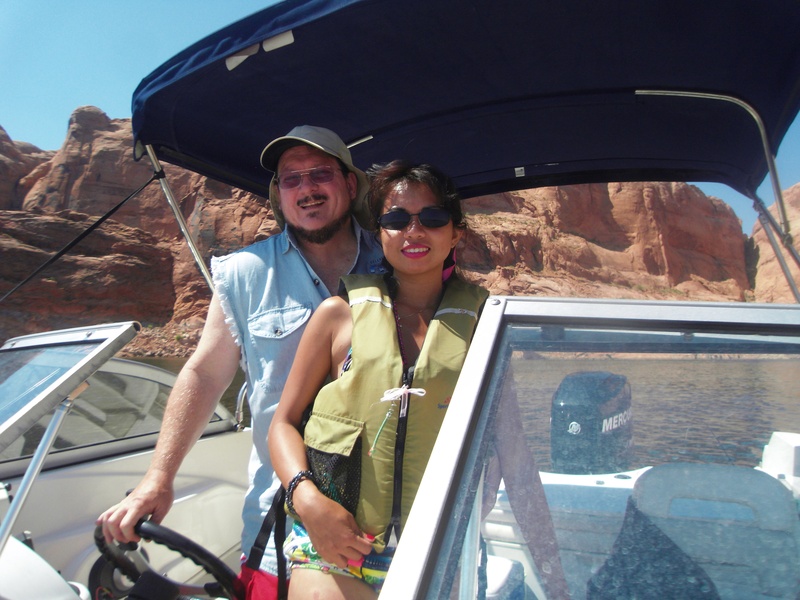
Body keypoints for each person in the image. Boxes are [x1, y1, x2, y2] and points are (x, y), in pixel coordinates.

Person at [97, 125, 385, 598]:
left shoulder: (396, 260)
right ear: (279, 194)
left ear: (350, 185)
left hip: (386, 515)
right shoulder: (245, 273)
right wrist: (158, 478)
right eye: (291, 179)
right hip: (279, 522)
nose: (307, 189)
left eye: (320, 174)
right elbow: (205, 375)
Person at [268, 160, 489, 598]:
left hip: (438, 547)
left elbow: (514, 451)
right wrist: (307, 501)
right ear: (380, 232)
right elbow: (283, 424)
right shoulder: (338, 316)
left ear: (456, 234)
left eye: (432, 218)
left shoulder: (484, 326)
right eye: (396, 220)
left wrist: (553, 572)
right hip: (334, 546)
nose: (414, 231)